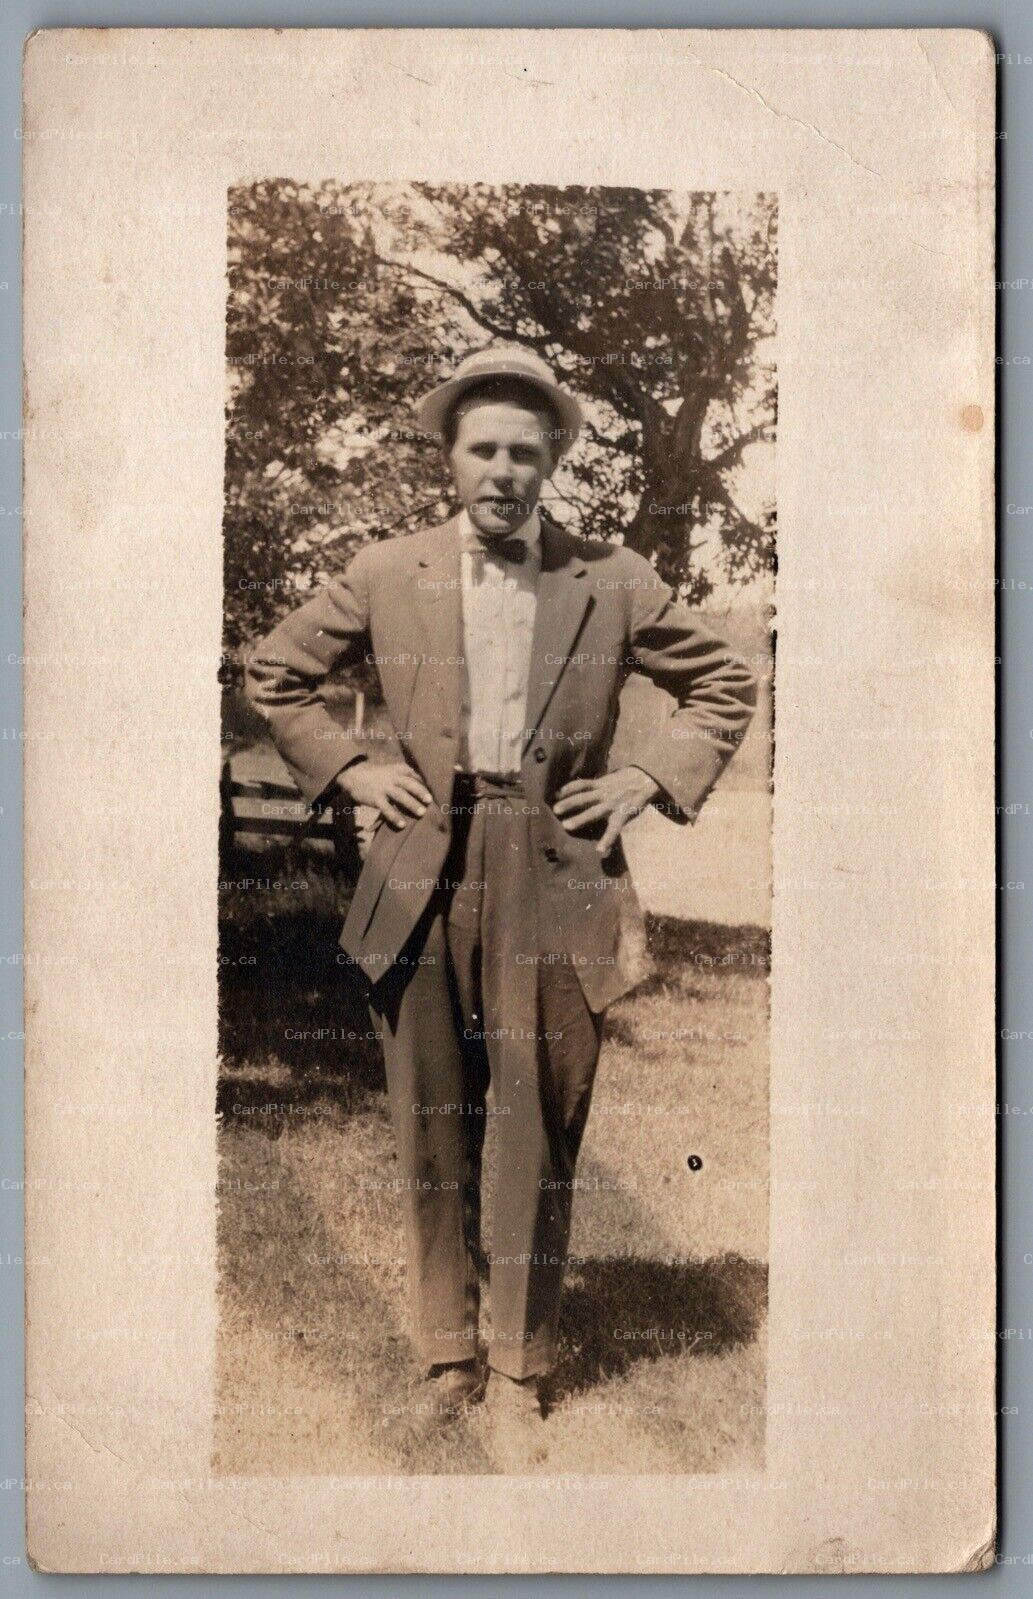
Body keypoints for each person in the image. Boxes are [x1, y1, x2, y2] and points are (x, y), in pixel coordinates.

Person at [244, 345, 757, 1460]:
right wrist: (349, 768)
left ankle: (521, 1364)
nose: (503, 471)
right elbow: (275, 673)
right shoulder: (385, 571)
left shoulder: (611, 577)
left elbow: (725, 679)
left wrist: (647, 777)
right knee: (430, 1124)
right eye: (483, 449)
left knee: (534, 1122)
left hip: (553, 865)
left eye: (527, 452)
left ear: (554, 460)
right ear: (451, 457)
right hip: (418, 862)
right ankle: (444, 1355)